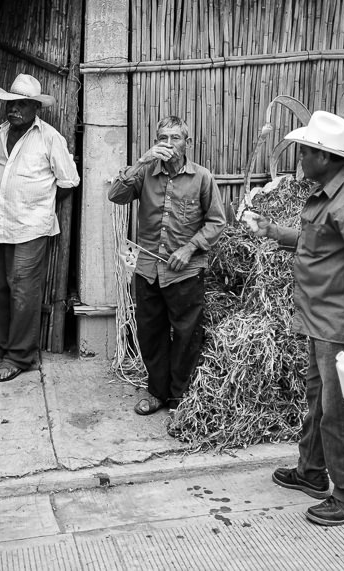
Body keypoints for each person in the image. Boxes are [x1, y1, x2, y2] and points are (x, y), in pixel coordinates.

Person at [248, 110, 344, 526]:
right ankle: (311, 471)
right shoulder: (332, 194)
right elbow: (319, 244)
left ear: (325, 157)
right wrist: (274, 231)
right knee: (319, 401)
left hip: (340, 324)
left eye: (305, 152)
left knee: (340, 412)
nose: (300, 159)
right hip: (320, 319)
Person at [109, 116, 226, 416]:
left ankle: (178, 398)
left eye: (176, 138)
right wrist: (141, 161)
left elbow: (216, 222)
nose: (169, 143)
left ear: (188, 143)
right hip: (148, 269)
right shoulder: (146, 173)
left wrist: (189, 248)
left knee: (187, 335)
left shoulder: (202, 178)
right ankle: (157, 392)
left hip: (185, 272)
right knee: (151, 333)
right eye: (163, 138)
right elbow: (115, 195)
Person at [0, 73, 80, 382]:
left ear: (36, 108)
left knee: (23, 293)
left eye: (22, 104)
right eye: (11, 103)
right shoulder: (0, 134)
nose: (14, 109)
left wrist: (40, 204)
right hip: (0, 225)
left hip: (31, 228)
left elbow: (69, 181)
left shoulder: (50, 138)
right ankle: (2, 348)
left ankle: (20, 356)